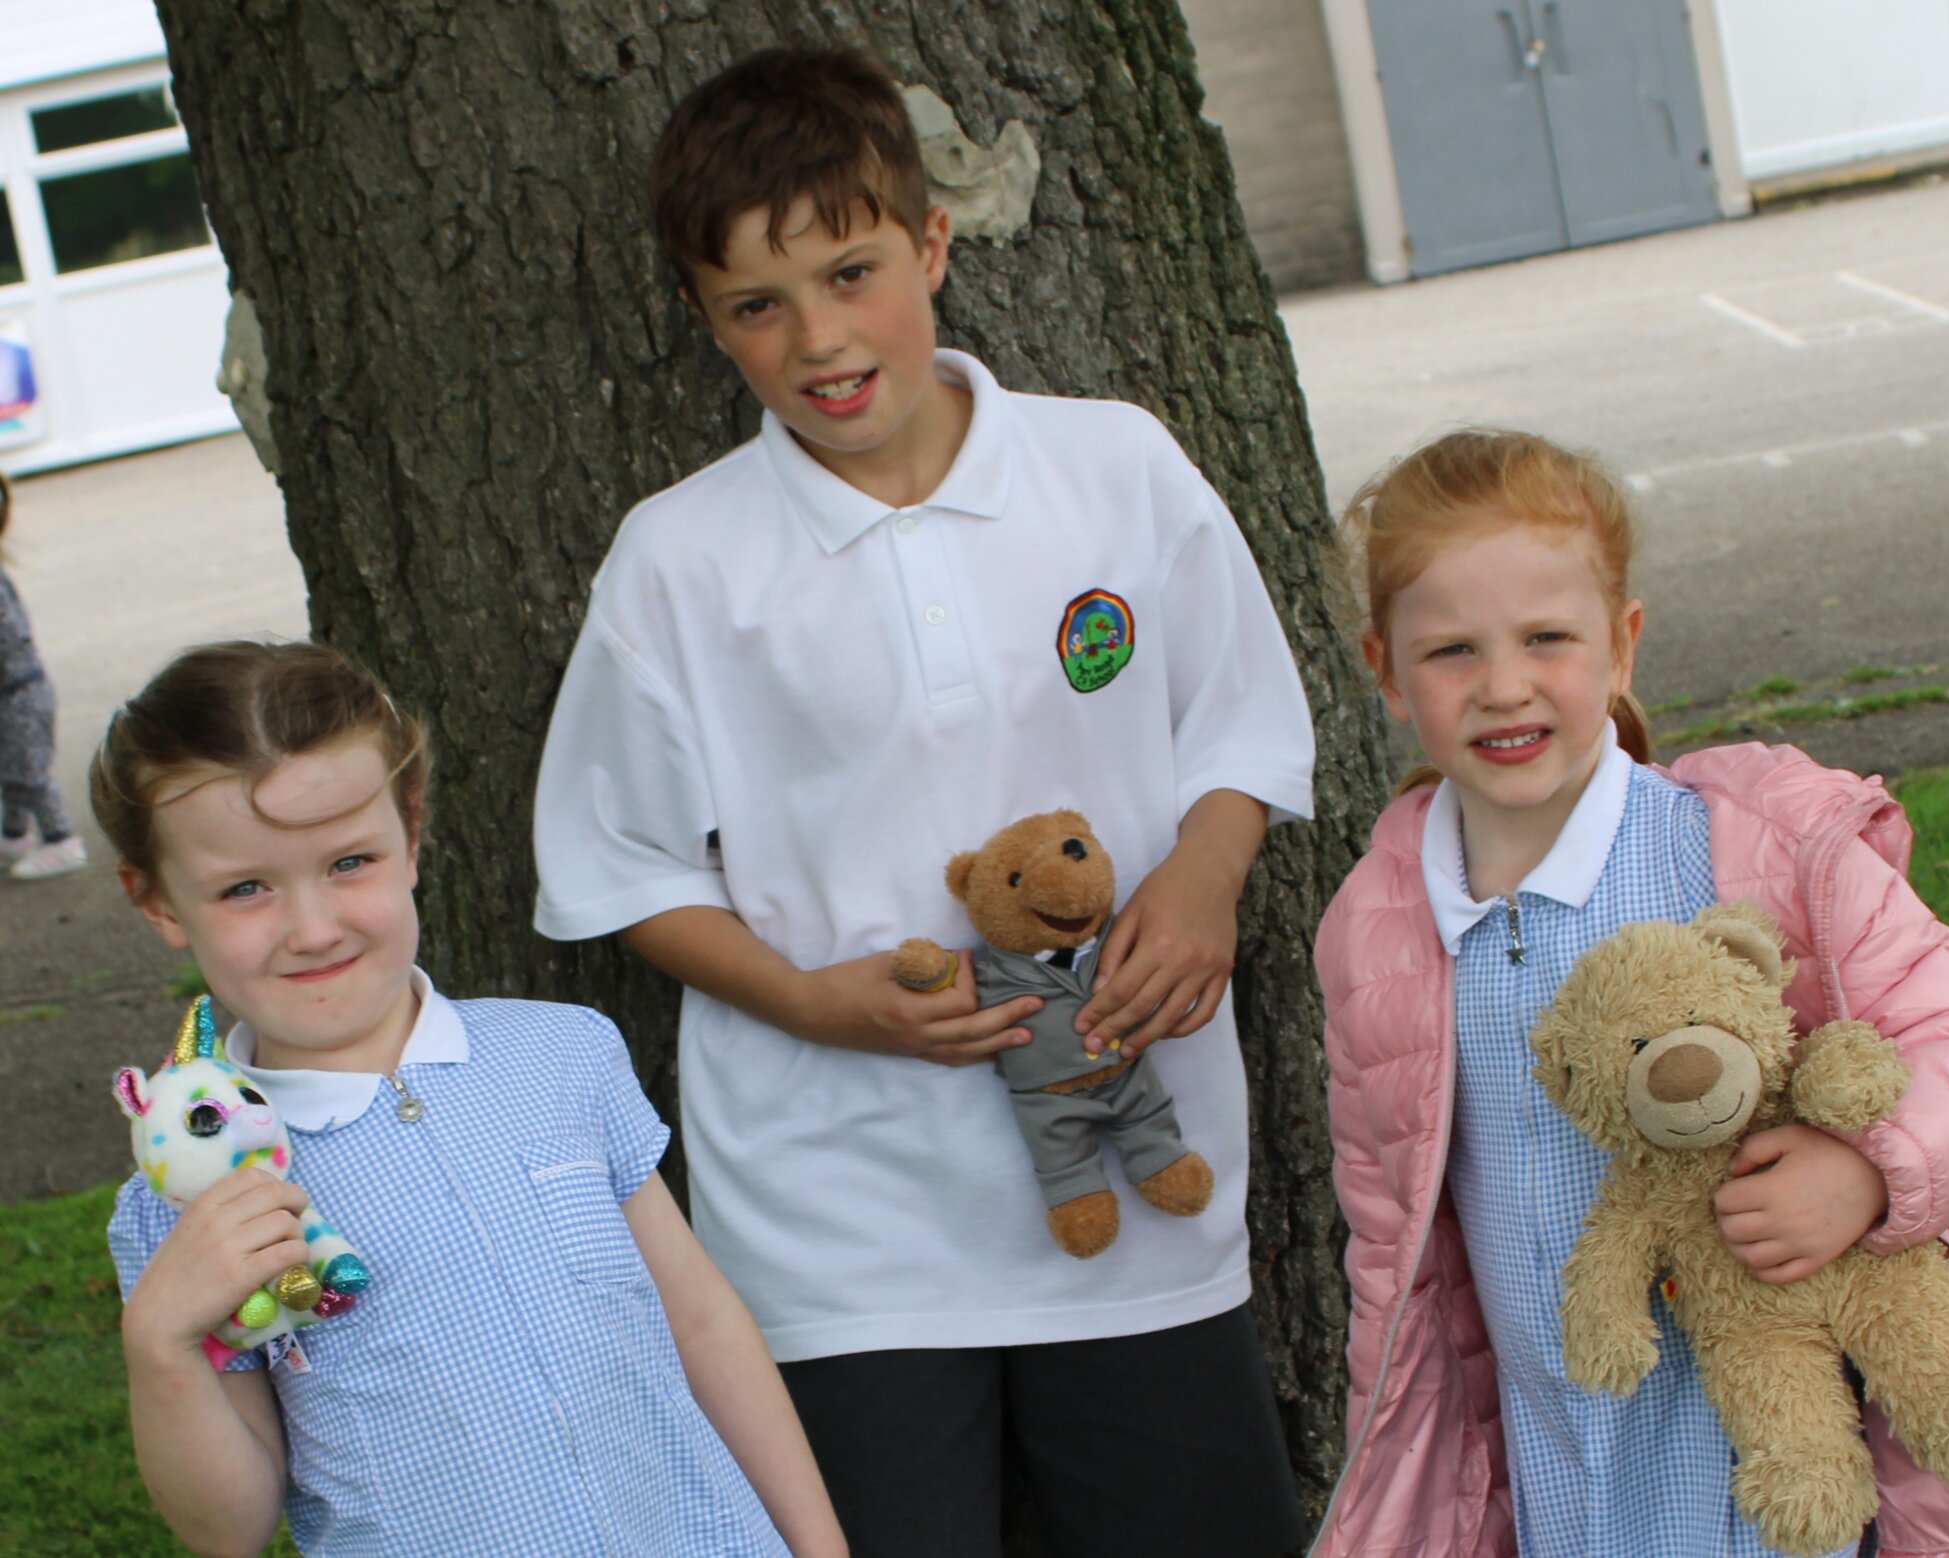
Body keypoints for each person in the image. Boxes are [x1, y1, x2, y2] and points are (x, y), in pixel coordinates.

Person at [530, 46, 1316, 1558]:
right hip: (843, 1234)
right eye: (758, 304)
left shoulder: (1115, 467)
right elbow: (615, 862)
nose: (820, 336)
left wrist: (1205, 877)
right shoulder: (681, 562)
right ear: (705, 318)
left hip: (1134, 1196)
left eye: (852, 270)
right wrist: (814, 1002)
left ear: (934, 244)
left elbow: (1243, 721)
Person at [1311, 429, 1949, 1556]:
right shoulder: (1378, 925)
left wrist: (1864, 1169)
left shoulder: (1751, 846)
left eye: (1545, 638)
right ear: (1383, 671)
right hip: (1560, 1438)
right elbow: (1389, 1243)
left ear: (1620, 643)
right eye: (1451, 650)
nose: (1502, 685)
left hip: (1761, 1412)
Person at [98, 640, 844, 1558]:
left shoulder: (563, 1051)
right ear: (160, 903)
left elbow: (702, 1323)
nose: (315, 926)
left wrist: (818, 1545)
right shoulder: (183, 1199)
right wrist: (161, 1349)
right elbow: (230, 1531)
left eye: (349, 863)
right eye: (245, 887)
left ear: (410, 833)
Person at [0, 469, 87, 879]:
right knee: (9, 766)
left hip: (19, 694)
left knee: (29, 771)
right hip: (12, 693)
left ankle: (61, 839)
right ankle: (13, 833)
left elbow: (9, 641)